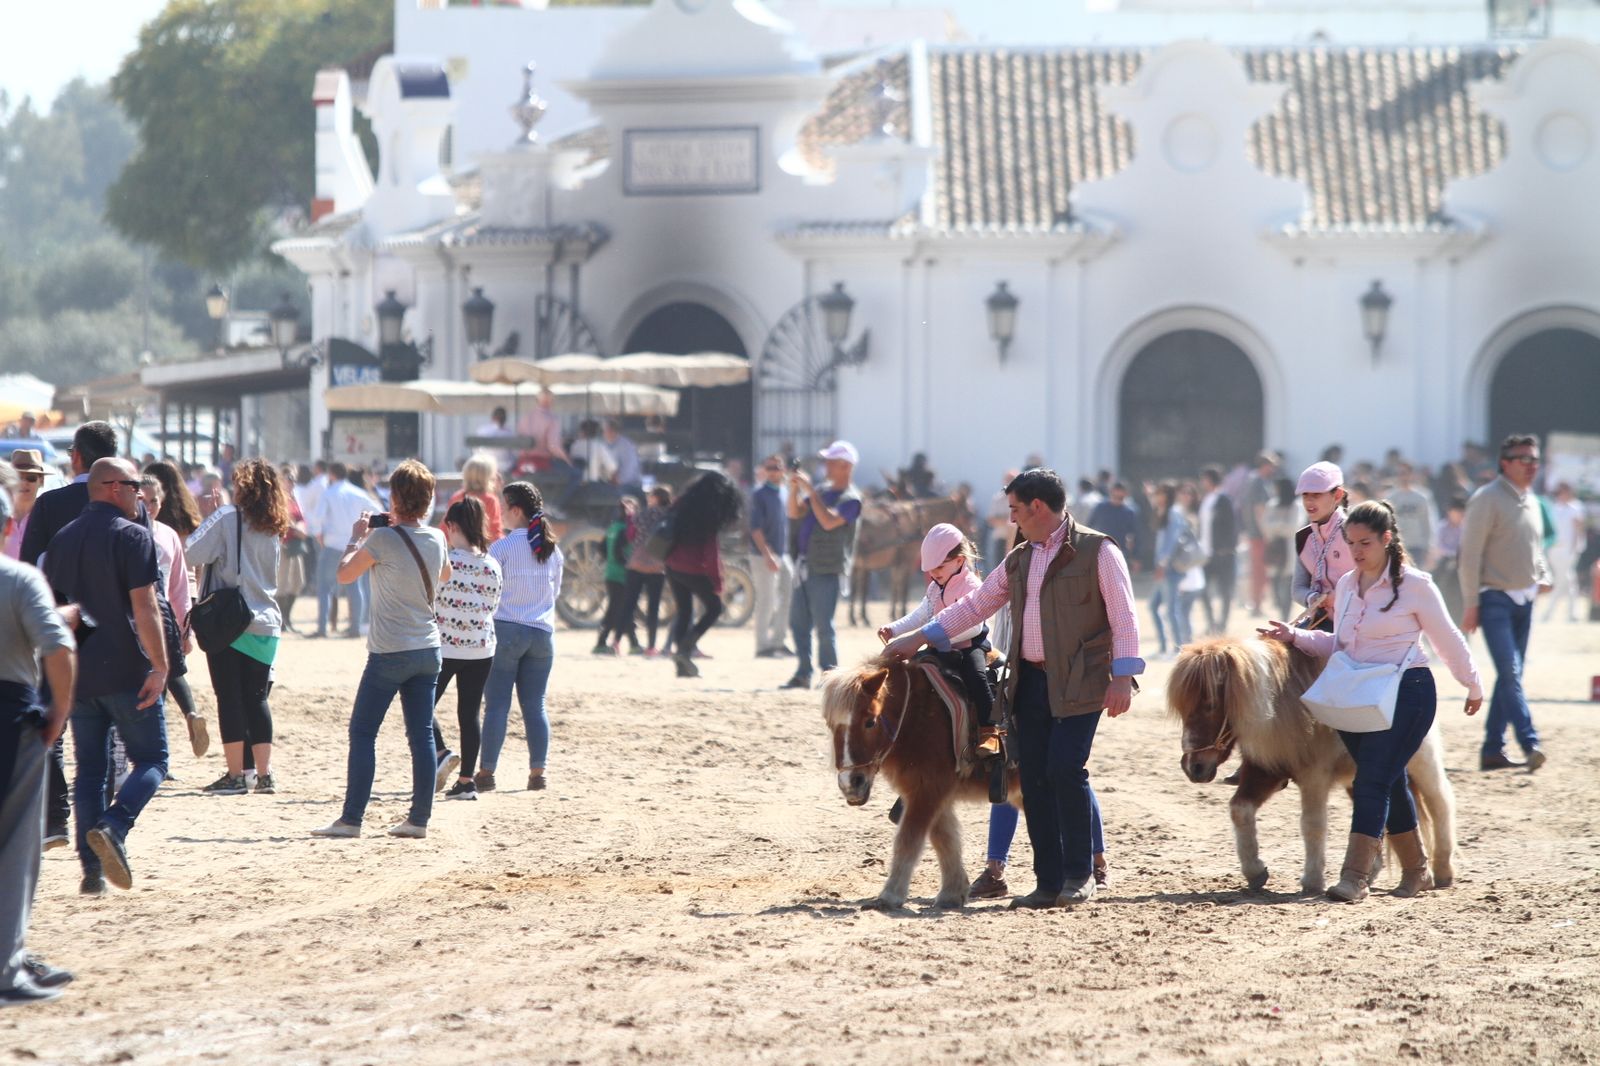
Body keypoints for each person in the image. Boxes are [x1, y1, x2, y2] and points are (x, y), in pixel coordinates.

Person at [885, 468, 1140, 908]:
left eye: (1016, 510)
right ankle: (1048, 881)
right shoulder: (1020, 558)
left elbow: (1123, 616)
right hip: (1029, 680)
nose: (1012, 519)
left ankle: (1078, 874)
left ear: (1037, 507)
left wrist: (1122, 676)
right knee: (1035, 777)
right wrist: (918, 637)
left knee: (1065, 769)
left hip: (1081, 680)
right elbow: (977, 604)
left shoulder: (1099, 550)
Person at [1259, 500, 1482, 902]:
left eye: (1365, 543)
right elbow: (1340, 644)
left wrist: (1473, 684)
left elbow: (1446, 639)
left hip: (1407, 692)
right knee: (1389, 781)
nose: (1357, 551)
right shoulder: (1346, 586)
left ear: (1387, 539)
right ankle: (1417, 871)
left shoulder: (1416, 585)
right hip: (1357, 698)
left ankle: (1355, 876)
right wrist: (1295, 637)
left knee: (1370, 781)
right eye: (1351, 543)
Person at [41, 458, 171, 893]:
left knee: (90, 771)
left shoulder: (62, 538)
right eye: (135, 486)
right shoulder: (133, 536)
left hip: (79, 674)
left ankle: (91, 874)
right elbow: (145, 607)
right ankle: (115, 825)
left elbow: (55, 614)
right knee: (153, 759)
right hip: (127, 668)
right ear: (114, 488)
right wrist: (161, 664)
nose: (140, 495)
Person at [312, 460, 450, 839]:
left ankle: (352, 818)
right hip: (427, 648)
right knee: (420, 735)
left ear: (395, 498)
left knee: (363, 732)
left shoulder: (382, 539)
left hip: (390, 650)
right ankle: (418, 819)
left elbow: (344, 574)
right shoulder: (437, 537)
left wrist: (357, 537)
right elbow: (445, 575)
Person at [22, 423, 120, 856]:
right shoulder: (124, 499)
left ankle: (57, 818)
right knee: (105, 729)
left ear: (77, 456)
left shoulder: (50, 503)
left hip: (59, 628)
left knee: (54, 727)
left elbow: (31, 572)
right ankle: (102, 822)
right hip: (113, 631)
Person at [0, 469, 78, 1003]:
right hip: (11, 718)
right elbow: (58, 650)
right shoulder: (20, 579)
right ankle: (7, 969)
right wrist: (56, 716)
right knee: (15, 850)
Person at [186, 459, 288, 796]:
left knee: (229, 697)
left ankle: (235, 775)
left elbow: (191, 552)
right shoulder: (274, 524)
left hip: (232, 621)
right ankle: (264, 774)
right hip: (267, 621)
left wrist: (211, 517)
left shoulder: (228, 516)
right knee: (257, 699)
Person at [1459, 435, 1552, 772]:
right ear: (1505, 462)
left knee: (1509, 674)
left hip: (1525, 599)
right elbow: (1469, 555)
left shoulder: (1532, 500)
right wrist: (1471, 602)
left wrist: (1543, 574)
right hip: (1494, 598)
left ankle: (1492, 749)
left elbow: (1536, 546)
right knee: (1510, 672)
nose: (1531, 466)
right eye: (1524, 459)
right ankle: (1530, 741)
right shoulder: (1486, 499)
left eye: (1535, 459)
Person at [878, 524, 1000, 757]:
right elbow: (921, 614)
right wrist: (894, 629)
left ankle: (989, 730)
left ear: (959, 560)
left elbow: (972, 626)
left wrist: (934, 634)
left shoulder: (972, 586)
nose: (934, 573)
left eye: (939, 567)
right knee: (910, 673)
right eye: (931, 569)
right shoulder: (936, 587)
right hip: (938, 646)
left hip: (969, 646)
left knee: (976, 676)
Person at [476, 481, 562, 793]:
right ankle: (538, 772)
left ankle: (486, 772)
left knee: (497, 705)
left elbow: (487, 589)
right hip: (542, 633)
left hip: (507, 629)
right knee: (535, 705)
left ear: (514, 510)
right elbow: (556, 593)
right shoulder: (553, 549)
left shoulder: (502, 548)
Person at [430, 496, 503, 802]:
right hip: (481, 648)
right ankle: (466, 782)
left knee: (421, 705)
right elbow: (493, 605)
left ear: (455, 526)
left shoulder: (447, 562)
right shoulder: (492, 564)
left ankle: (441, 752)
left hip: (446, 646)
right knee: (469, 714)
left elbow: (432, 599)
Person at [137, 474, 209, 760]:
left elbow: (180, 584)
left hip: (161, 614)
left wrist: (185, 627)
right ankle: (188, 715)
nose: (150, 506)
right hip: (141, 616)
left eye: (154, 500)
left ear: (161, 501)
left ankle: (157, 755)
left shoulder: (167, 534)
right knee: (164, 677)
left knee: (159, 684)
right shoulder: (128, 530)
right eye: (144, 500)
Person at [782, 441, 864, 690]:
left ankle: (829, 676)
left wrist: (810, 492)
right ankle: (803, 672)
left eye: (831, 461)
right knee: (798, 623)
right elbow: (794, 513)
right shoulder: (822, 491)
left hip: (827, 569)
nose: (825, 465)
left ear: (845, 466)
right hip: (805, 565)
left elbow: (829, 522)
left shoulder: (852, 500)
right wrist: (795, 489)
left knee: (823, 626)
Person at [664, 472, 744, 679]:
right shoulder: (709, 513)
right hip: (692, 568)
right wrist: (717, 582)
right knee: (715, 608)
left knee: (684, 610)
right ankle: (685, 649)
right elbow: (710, 552)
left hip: (671, 563)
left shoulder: (683, 502)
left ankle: (682, 665)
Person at [313, 462, 372, 639]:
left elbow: (317, 519)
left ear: (331, 474)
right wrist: (367, 533)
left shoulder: (328, 493)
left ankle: (322, 628)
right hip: (354, 543)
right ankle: (356, 627)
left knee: (325, 587)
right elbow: (377, 511)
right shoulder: (358, 493)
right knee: (355, 587)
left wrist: (319, 536)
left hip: (332, 544)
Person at [1291, 461, 1353, 630]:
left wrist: (1338, 596)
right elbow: (1298, 588)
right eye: (1305, 495)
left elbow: (1373, 582)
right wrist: (1312, 598)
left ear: (1338, 495)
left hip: (1358, 623)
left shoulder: (1356, 533)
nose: (1309, 502)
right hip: (1320, 621)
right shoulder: (1303, 538)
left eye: (1317, 495)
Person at [749, 456, 793, 658]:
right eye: (770, 468)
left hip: (783, 554)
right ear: (765, 470)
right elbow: (755, 529)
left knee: (786, 598)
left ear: (783, 470)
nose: (774, 471)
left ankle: (778, 641)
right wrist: (768, 555)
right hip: (762, 555)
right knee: (766, 601)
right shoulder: (759, 494)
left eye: (777, 467)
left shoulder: (785, 492)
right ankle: (762, 646)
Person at [1152, 482, 1203, 653]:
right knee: (1155, 606)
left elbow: (1172, 541)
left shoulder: (1173, 513)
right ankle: (1164, 646)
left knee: (1171, 609)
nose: (1157, 497)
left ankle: (1177, 648)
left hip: (1170, 569)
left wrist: (1162, 563)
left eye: (1159, 494)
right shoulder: (1166, 512)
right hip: (1164, 568)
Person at [621, 487, 672, 658]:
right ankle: (651, 646)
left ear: (656, 498)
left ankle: (616, 641)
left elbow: (631, 535)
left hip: (636, 563)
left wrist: (629, 516)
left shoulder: (643, 514)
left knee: (629, 604)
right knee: (653, 608)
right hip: (657, 566)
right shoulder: (668, 516)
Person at [594, 497, 641, 656]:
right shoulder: (626, 529)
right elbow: (619, 552)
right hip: (622, 576)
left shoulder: (613, 527)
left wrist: (611, 562)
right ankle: (602, 642)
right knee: (617, 611)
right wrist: (628, 564)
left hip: (610, 574)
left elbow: (601, 548)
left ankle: (634, 643)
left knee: (621, 610)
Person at [1197, 466, 1238, 636]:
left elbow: (1232, 525)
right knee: (1203, 589)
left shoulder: (1223, 499)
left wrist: (1227, 548)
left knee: (1224, 590)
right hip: (1205, 552)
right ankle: (1211, 621)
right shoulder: (1206, 499)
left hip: (1221, 553)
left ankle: (1222, 623)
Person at [1543, 482, 1587, 624]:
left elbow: (1578, 529)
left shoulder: (1575, 507)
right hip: (1555, 549)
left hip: (1569, 550)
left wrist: (1576, 547)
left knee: (1564, 579)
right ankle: (1571, 613)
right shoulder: (1554, 507)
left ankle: (1550, 612)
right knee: (1567, 580)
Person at [1241, 453, 1278, 614]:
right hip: (1259, 533)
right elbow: (1259, 510)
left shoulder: (1254, 480)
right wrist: (1266, 533)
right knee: (1260, 569)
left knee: (1258, 569)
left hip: (1254, 532)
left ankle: (1257, 601)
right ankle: (1256, 603)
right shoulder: (1258, 482)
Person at [447, 454, 504, 544]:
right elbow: (495, 533)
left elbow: (446, 528)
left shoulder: (457, 497)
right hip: (483, 551)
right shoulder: (490, 500)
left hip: (458, 550)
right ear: (488, 477)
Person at [1389, 462, 1438, 566]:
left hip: (1417, 545)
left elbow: (1427, 521)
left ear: (1411, 474)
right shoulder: (1391, 498)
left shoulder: (1422, 497)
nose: (1402, 477)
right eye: (1399, 473)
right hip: (1398, 544)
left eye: (1404, 473)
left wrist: (1428, 546)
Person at [1086, 482, 1141, 570]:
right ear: (1110, 493)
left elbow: (1136, 535)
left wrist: (1135, 557)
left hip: (1119, 551)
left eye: (1121, 498)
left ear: (1126, 495)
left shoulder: (1129, 512)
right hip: (1101, 551)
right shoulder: (1100, 508)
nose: (1117, 500)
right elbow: (1089, 527)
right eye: (1115, 497)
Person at [3, 449, 46, 560]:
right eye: (19, 477)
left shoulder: (47, 516)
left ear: (41, 481)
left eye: (31, 478)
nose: (24, 483)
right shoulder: (2, 515)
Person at [569, 420, 618, 484]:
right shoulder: (598, 446)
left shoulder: (574, 446)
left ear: (582, 432)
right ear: (596, 433)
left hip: (575, 485)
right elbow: (612, 469)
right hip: (592, 486)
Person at [604, 420, 642, 493]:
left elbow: (629, 469)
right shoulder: (605, 444)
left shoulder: (626, 445)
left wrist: (618, 481)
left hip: (630, 485)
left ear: (612, 431)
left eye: (606, 430)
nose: (604, 433)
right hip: (613, 483)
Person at [476, 407, 517, 474]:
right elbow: (515, 454)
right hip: (505, 468)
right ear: (505, 419)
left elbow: (477, 451)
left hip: (486, 466)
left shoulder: (483, 430)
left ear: (492, 417)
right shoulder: (509, 433)